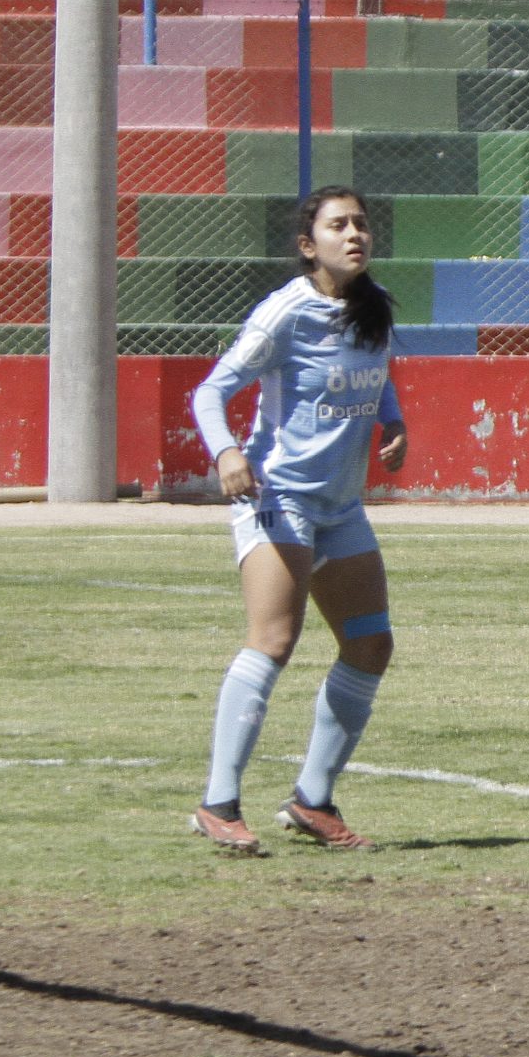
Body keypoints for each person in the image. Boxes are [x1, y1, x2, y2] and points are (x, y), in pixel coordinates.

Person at [188, 185, 409, 855]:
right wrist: (227, 450)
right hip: (279, 499)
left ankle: (313, 800)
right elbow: (211, 390)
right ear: (309, 244)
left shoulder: (373, 309)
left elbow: (378, 371)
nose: (355, 234)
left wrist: (393, 420)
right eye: (338, 225)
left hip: (340, 508)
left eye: (362, 224)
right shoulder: (286, 311)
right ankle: (217, 802)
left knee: (371, 643)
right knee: (274, 638)